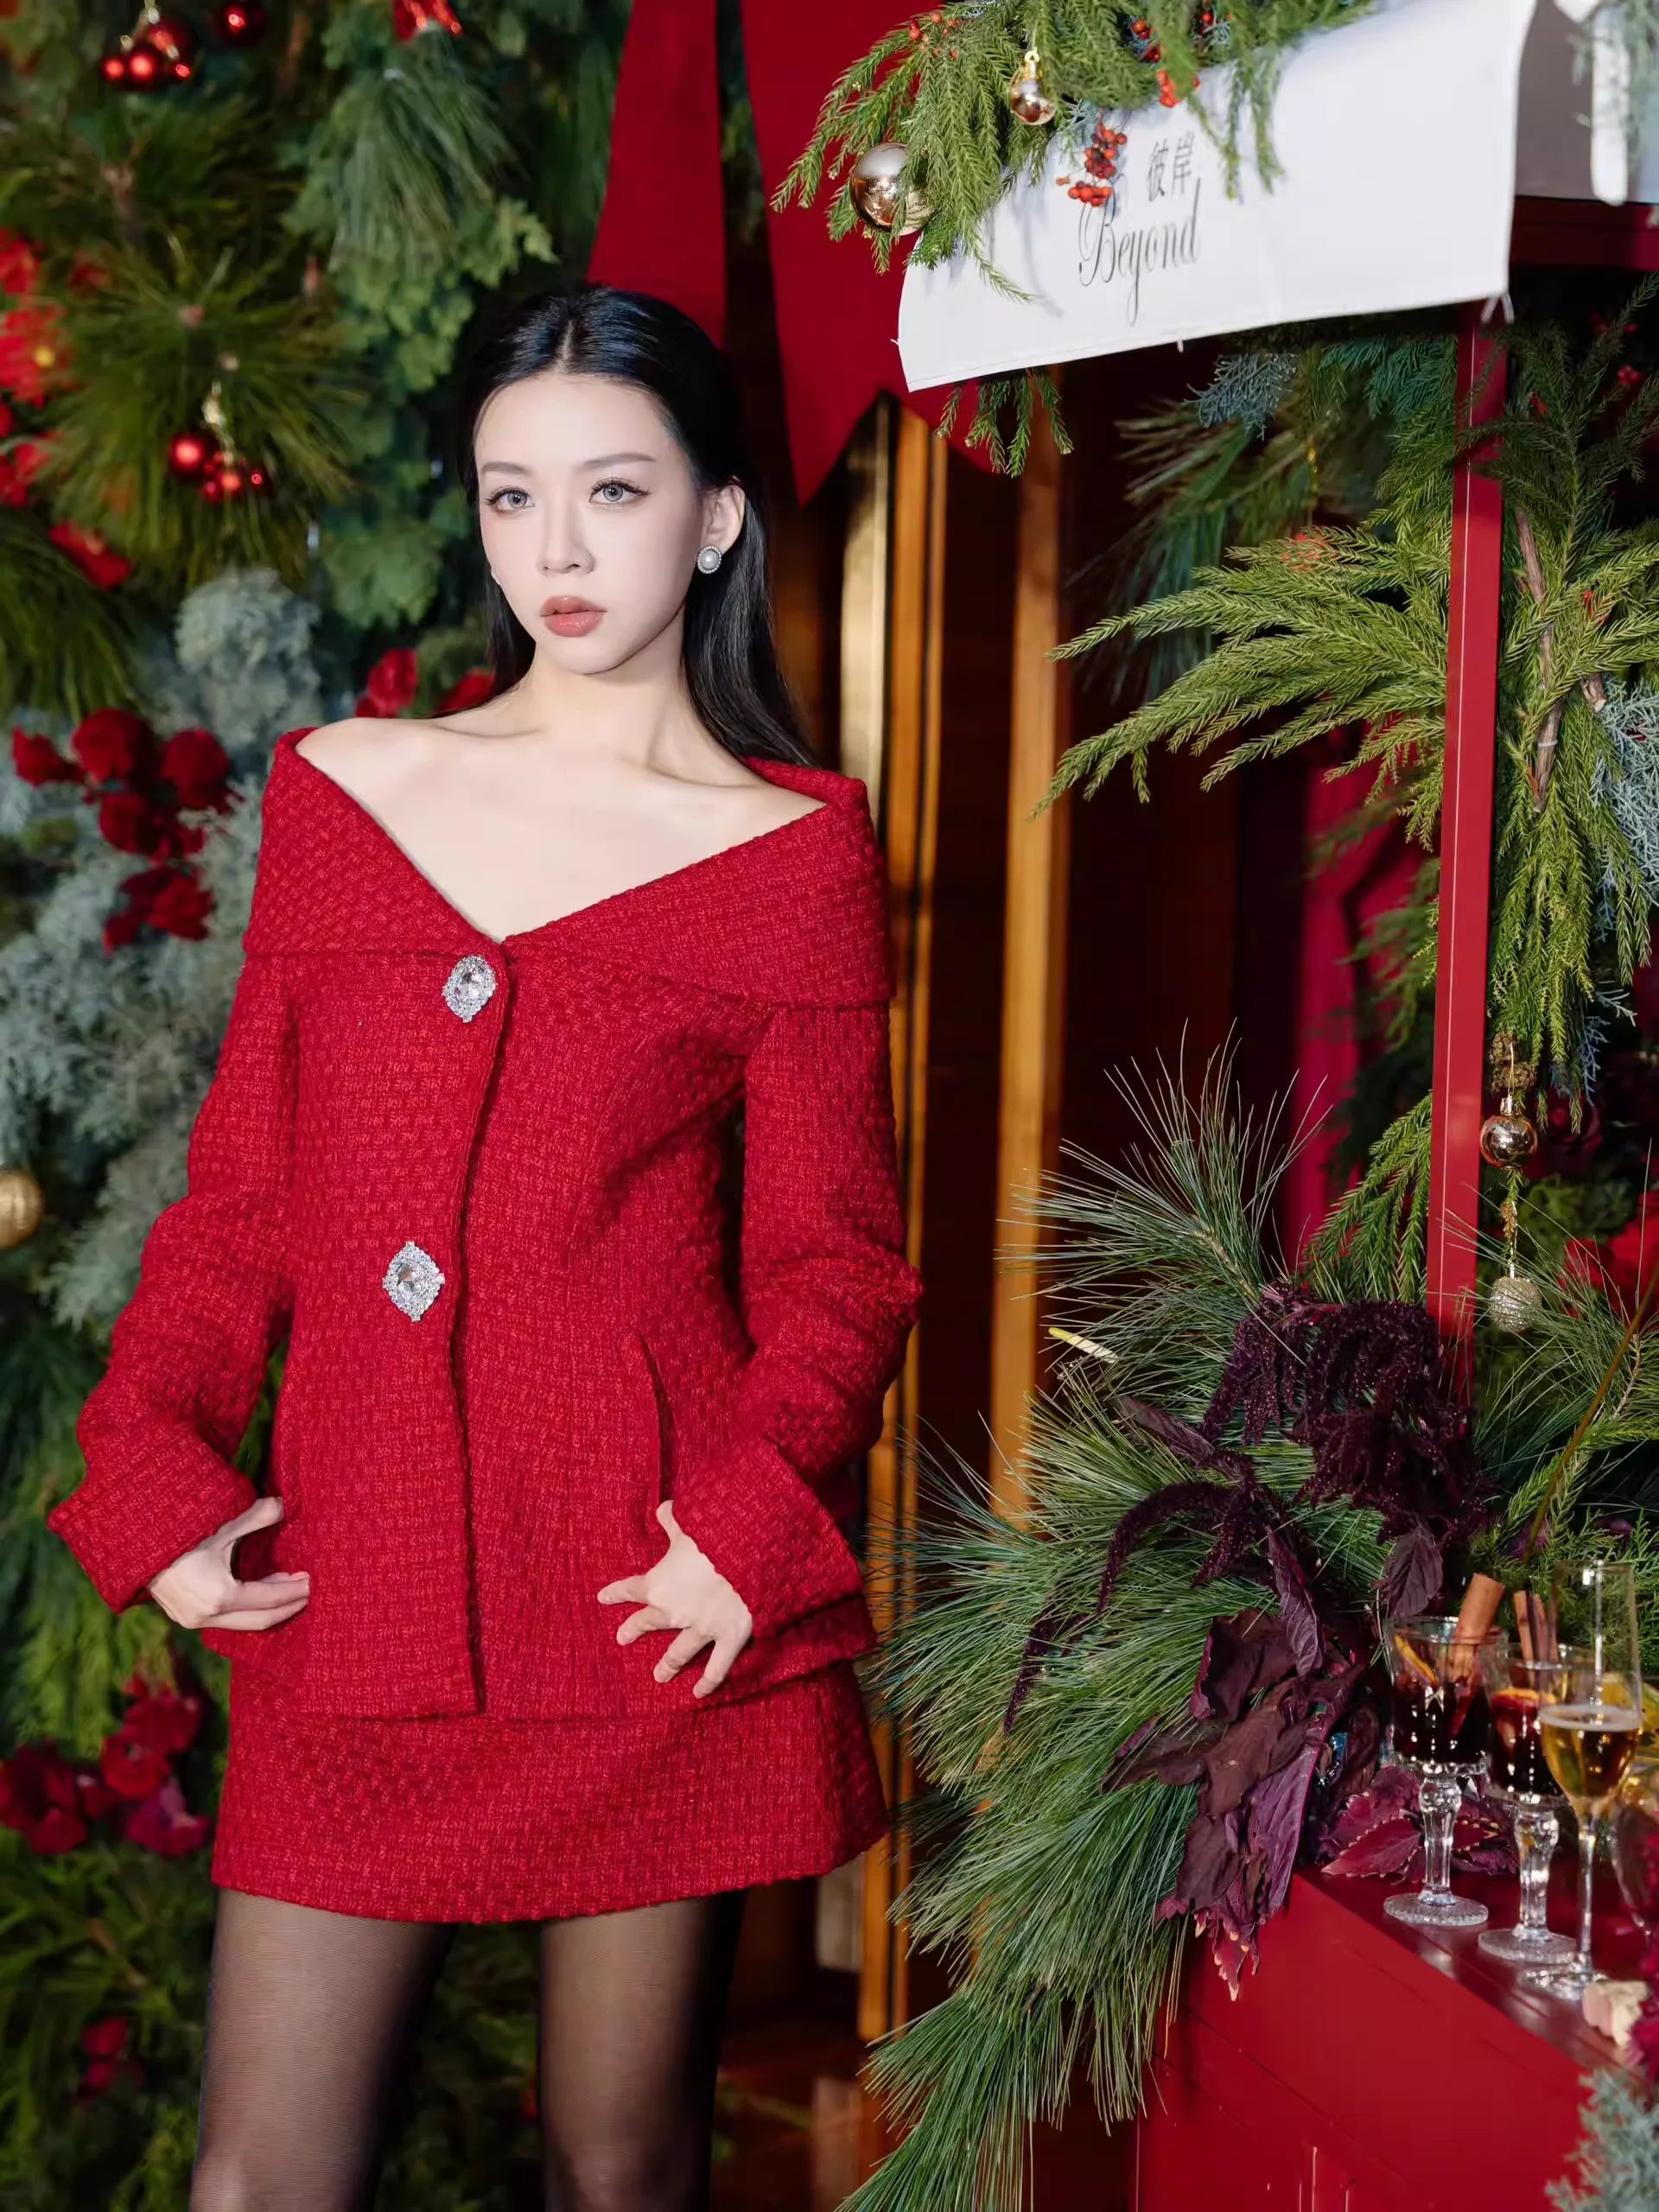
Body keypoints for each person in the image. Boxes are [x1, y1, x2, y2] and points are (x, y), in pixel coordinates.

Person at [46, 283, 924, 2212]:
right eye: (513, 497)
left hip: (646, 1607)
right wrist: (161, 1476)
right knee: (260, 2178)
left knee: (621, 2170)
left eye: (613, 491)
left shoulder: (789, 856)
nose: (558, 552)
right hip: (354, 1590)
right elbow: (243, 1202)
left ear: (714, 515)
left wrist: (746, 1529)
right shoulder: (350, 792)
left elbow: (838, 1266)